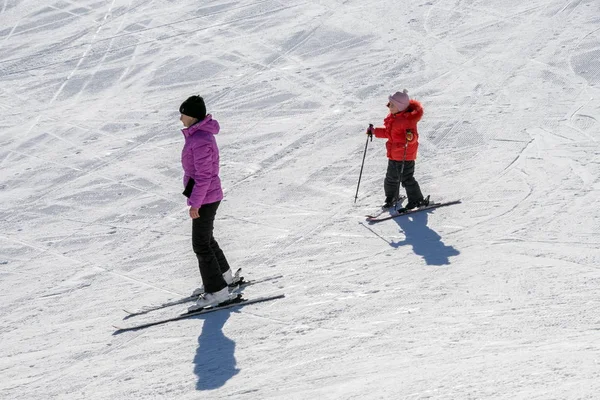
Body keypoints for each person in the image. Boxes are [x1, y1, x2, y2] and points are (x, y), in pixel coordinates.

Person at [179, 95, 233, 311]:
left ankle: (218, 292)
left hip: (206, 197)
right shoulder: (198, 136)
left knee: (200, 244)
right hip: (208, 195)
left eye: (183, 113)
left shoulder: (200, 139)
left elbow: (204, 176)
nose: (180, 118)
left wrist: (195, 204)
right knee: (206, 240)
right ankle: (223, 278)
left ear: (191, 115)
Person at [367, 89, 428, 210]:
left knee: (407, 179)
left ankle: (417, 200)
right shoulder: (393, 118)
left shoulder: (408, 120)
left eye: (392, 105)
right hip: (394, 155)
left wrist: (410, 138)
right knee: (390, 178)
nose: (389, 106)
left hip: (406, 156)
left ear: (400, 107)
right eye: (389, 104)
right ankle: (391, 197)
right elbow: (388, 133)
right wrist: (374, 131)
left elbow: (414, 137)